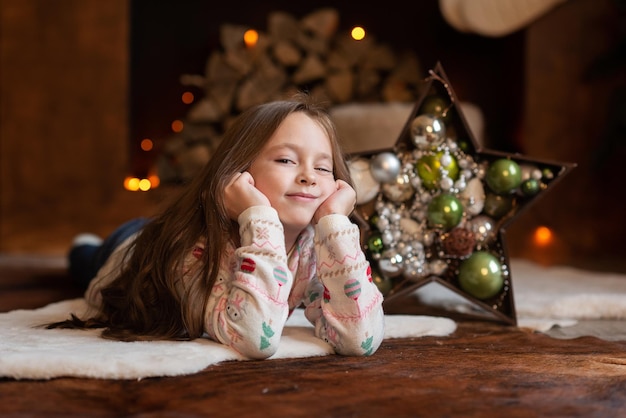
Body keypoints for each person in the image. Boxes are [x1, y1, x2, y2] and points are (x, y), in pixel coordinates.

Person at [53, 93, 385, 360]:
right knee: (87, 260)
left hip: (162, 234)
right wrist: (258, 214)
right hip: (136, 247)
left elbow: (360, 340)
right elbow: (255, 340)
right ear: (241, 173)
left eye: (324, 168)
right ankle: (84, 249)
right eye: (286, 160)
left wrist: (335, 225)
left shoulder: (315, 247)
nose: (309, 176)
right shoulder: (193, 249)